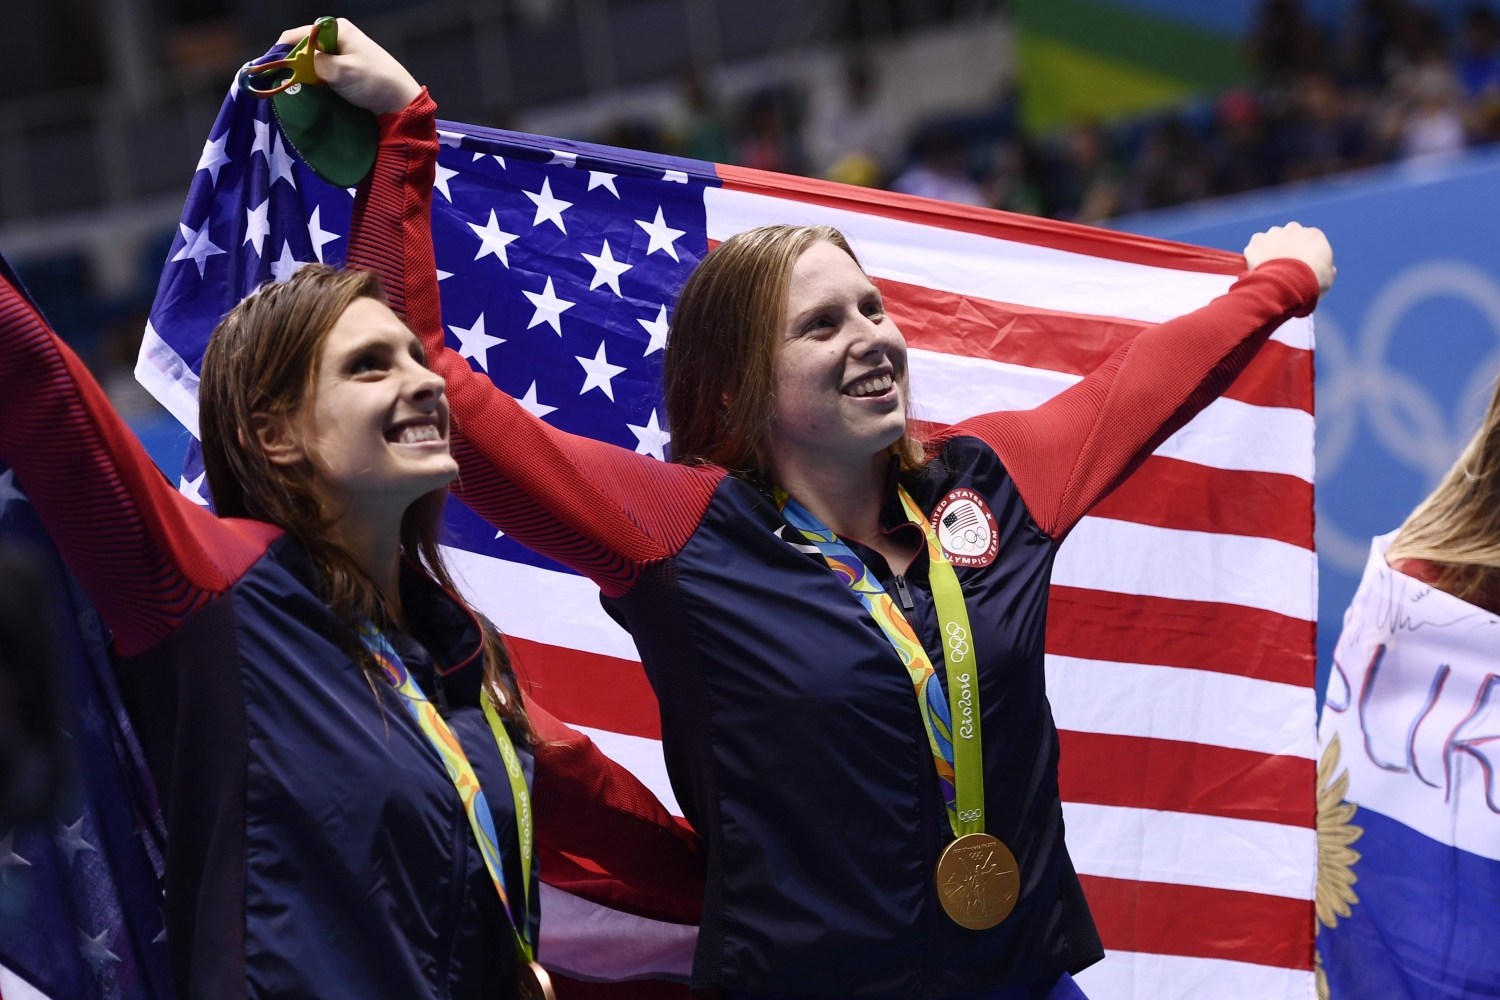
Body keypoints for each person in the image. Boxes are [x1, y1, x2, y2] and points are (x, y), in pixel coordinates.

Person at [342, 33, 1334, 997]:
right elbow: (430, 383)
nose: (874, 340)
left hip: (1026, 982)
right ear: (733, 393)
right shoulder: (678, 535)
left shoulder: (985, 484)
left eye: (872, 309)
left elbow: (1139, 386)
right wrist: (403, 136)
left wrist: (1278, 282)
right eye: (822, 324)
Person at [0, 25, 696, 999]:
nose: (424, 381)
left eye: (414, 360)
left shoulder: (462, 663)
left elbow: (673, 874)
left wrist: (407, 133)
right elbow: (40, 388)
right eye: (374, 369)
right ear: (273, 434)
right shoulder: (215, 600)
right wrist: (402, 149)